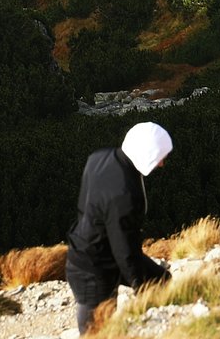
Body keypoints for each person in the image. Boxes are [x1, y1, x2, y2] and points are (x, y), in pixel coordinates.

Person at [65, 121, 173, 334]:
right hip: (93, 269)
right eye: (160, 157)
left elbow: (85, 206)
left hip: (84, 250)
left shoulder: (98, 157)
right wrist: (139, 287)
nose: (161, 164)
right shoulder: (125, 194)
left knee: (161, 279)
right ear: (146, 154)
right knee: (97, 331)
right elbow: (125, 251)